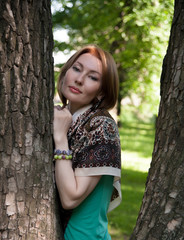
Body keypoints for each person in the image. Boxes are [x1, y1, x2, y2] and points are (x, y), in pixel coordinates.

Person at [53, 44, 121, 240]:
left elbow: (70, 198)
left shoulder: (102, 127)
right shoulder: (68, 117)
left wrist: (60, 139)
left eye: (93, 77)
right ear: (66, 71)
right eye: (76, 68)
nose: (79, 79)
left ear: (102, 92)